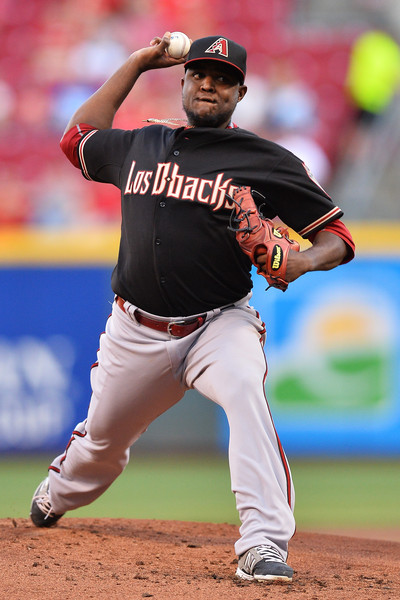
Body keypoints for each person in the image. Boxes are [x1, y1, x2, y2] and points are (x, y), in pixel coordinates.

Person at [30, 32, 355, 583]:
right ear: (182, 80)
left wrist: (300, 261)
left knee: (245, 391)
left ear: (241, 94)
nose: (209, 84)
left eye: (223, 79)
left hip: (218, 325)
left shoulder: (265, 160)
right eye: (200, 73)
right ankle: (59, 492)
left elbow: (339, 238)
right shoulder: (143, 143)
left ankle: (263, 542)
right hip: (135, 330)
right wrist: (137, 62)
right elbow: (77, 138)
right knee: (101, 444)